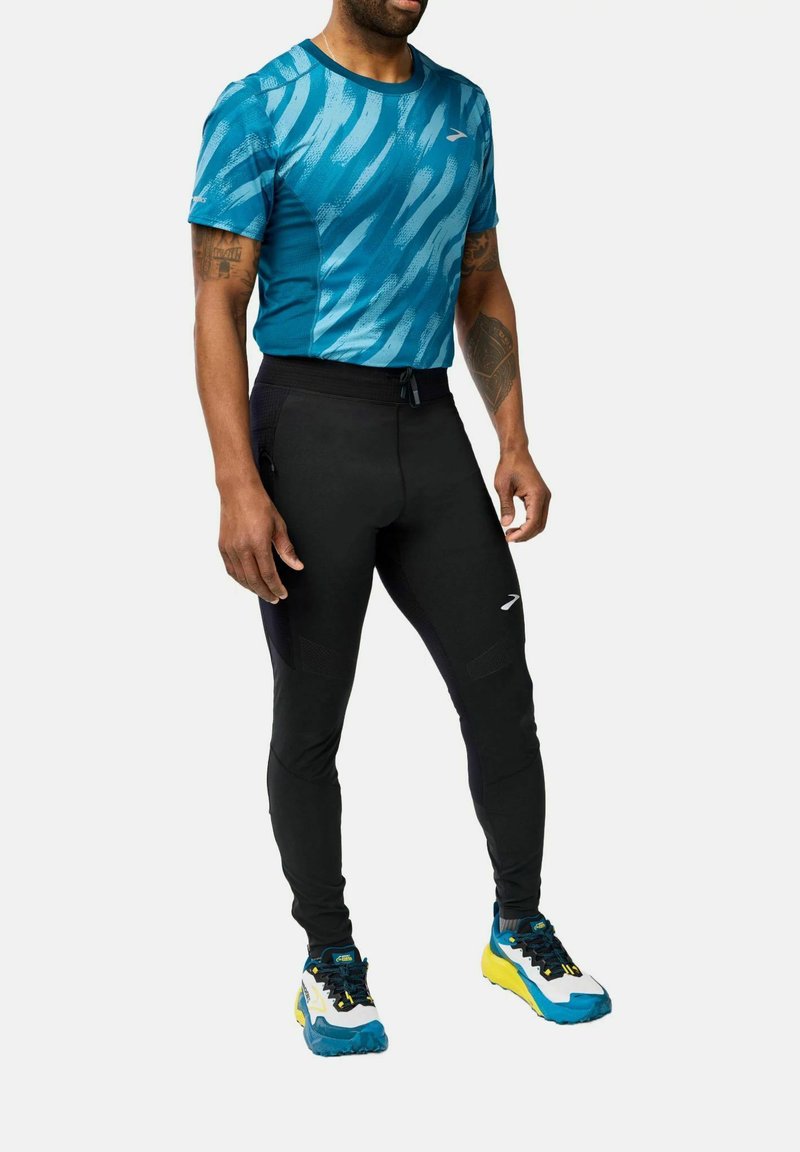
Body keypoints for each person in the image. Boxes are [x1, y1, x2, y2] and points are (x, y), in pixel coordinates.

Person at [188, 0, 611, 1057]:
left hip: (430, 429)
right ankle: (326, 955)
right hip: (308, 429)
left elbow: (480, 275)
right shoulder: (262, 105)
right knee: (312, 715)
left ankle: (518, 926)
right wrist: (235, 482)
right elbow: (216, 302)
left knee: (501, 692)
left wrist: (513, 439)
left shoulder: (463, 107)